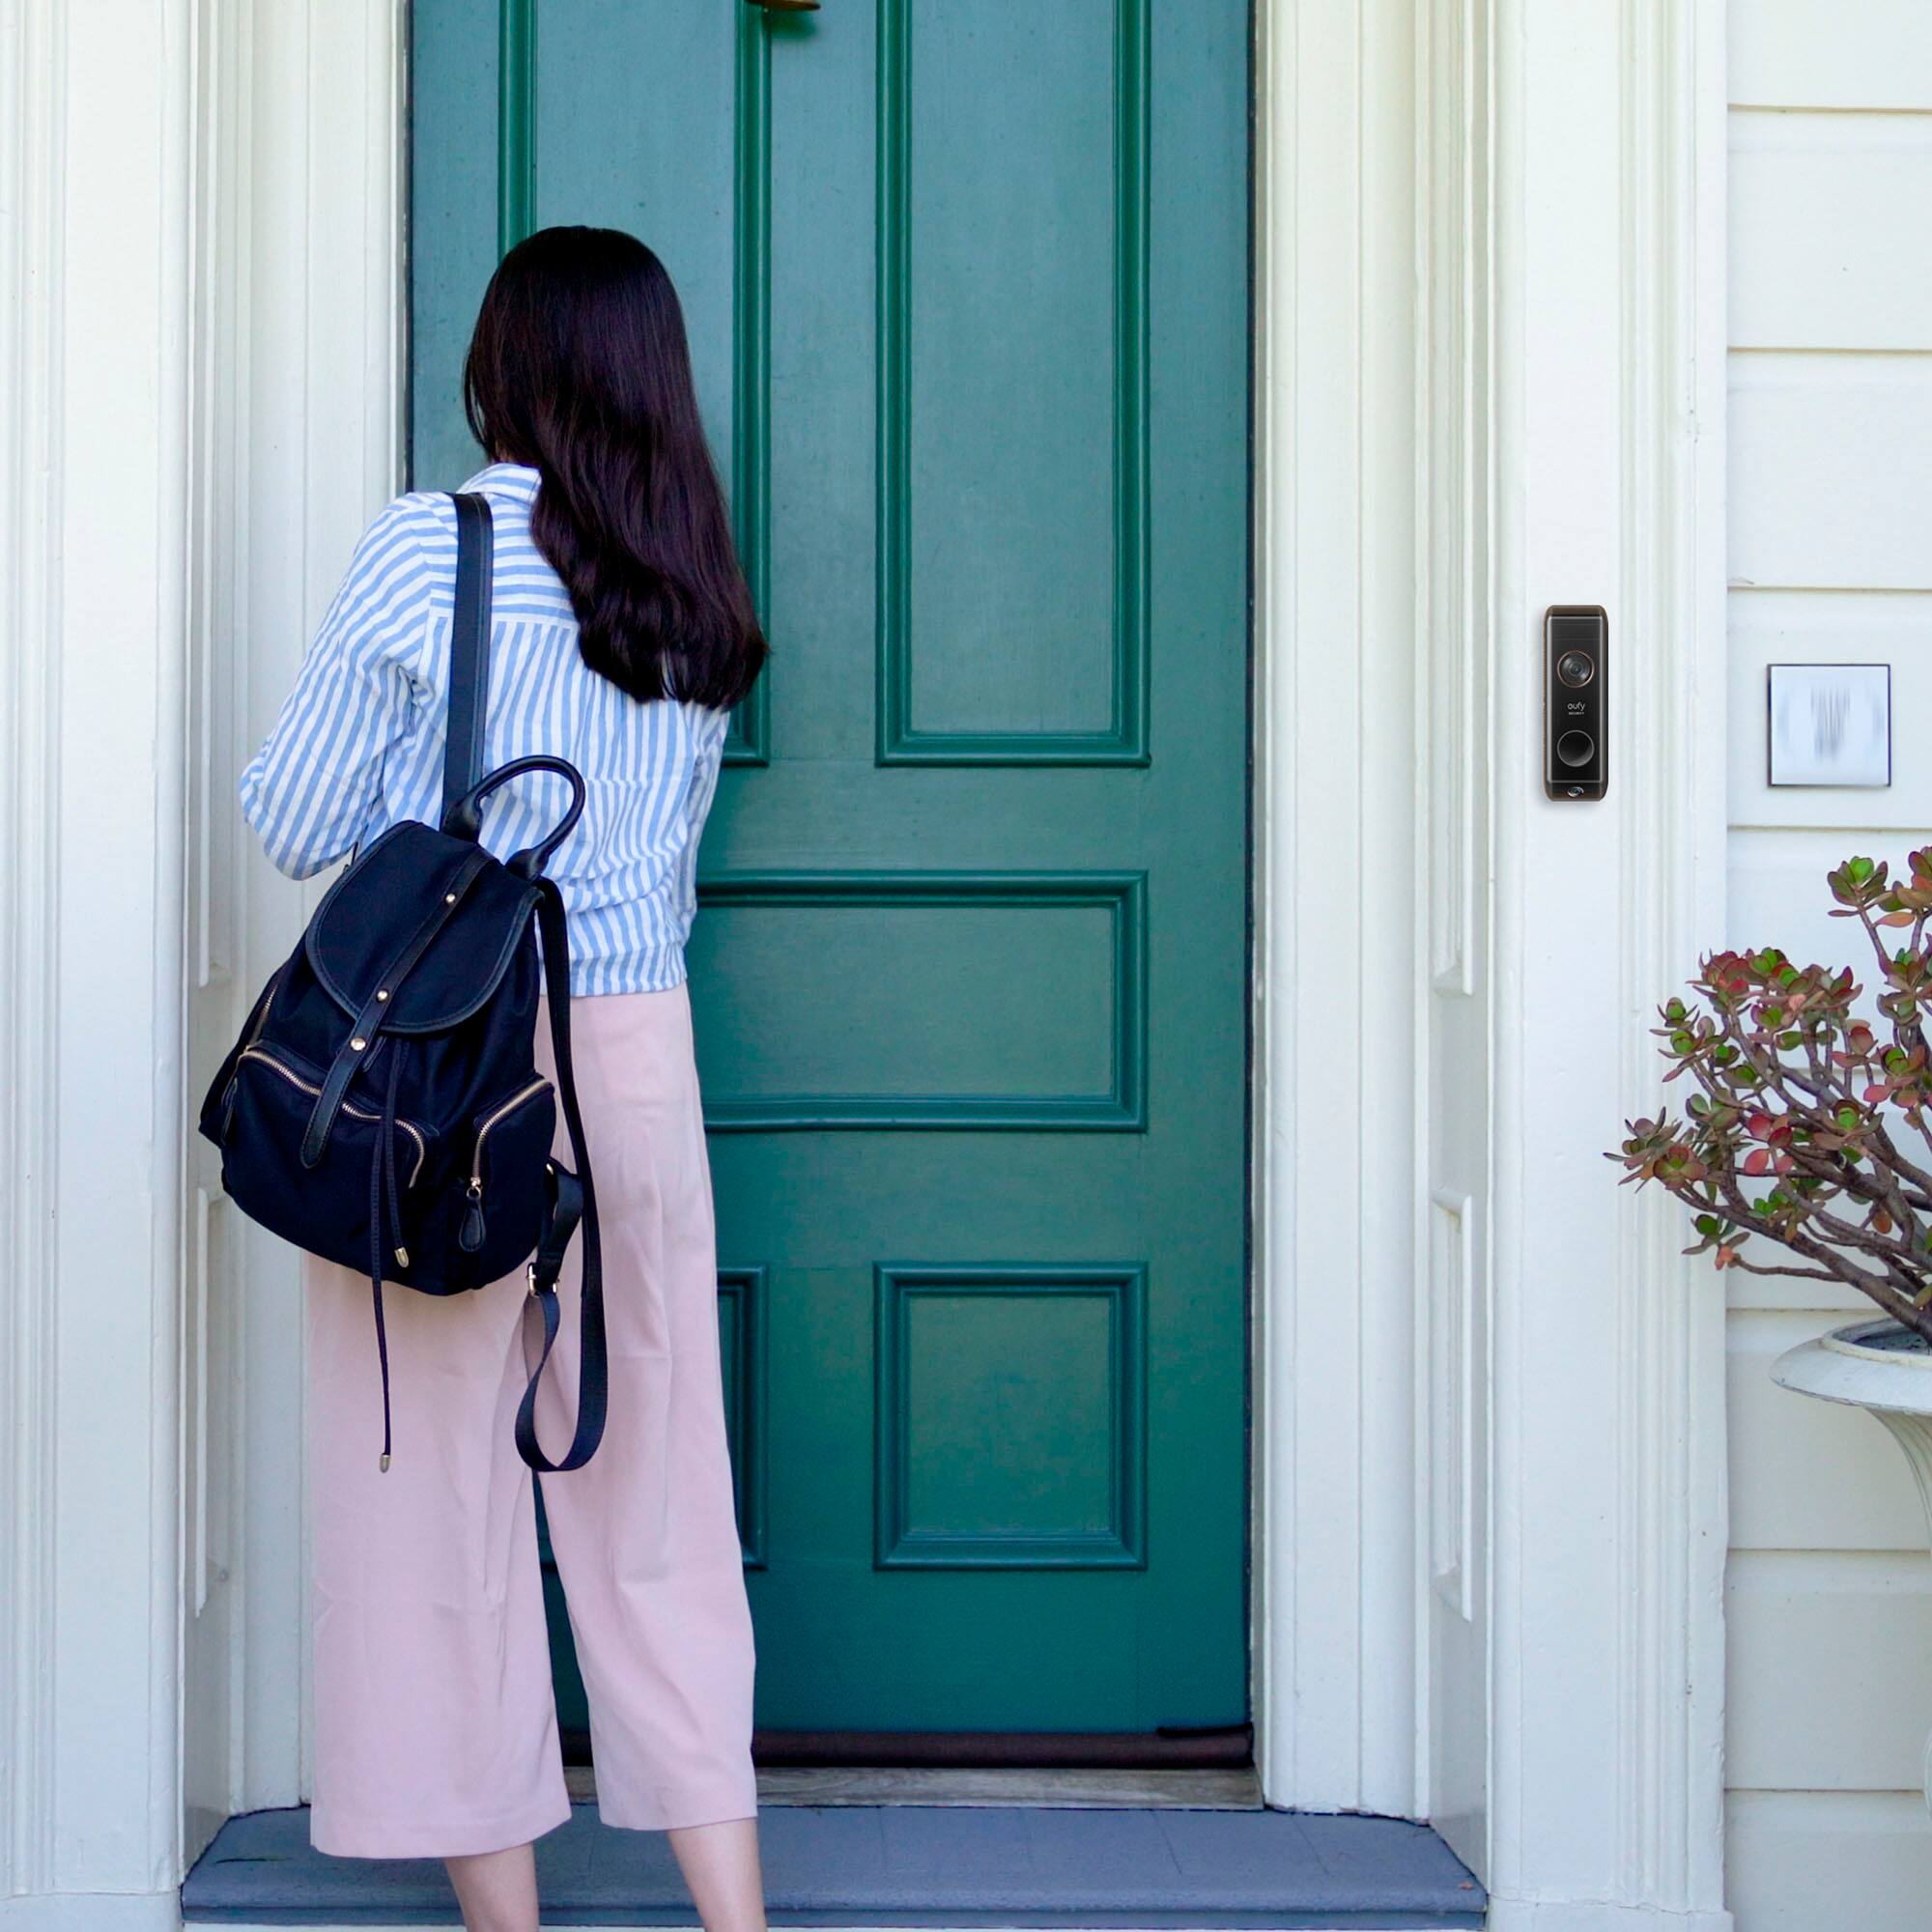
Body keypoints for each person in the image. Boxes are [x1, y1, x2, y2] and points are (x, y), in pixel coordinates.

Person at [237, 226, 769, 1932]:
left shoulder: (431, 551)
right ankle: (736, 1916)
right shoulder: (693, 587)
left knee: (430, 1501)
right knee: (659, 1489)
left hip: (447, 1073)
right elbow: (647, 858)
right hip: (631, 1048)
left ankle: (507, 1924)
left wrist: (422, 764)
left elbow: (298, 817)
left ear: (504, 365)